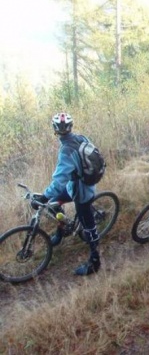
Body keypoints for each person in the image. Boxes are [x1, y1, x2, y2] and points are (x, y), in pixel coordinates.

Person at [32, 113, 101, 276]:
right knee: (54, 204)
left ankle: (95, 262)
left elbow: (58, 182)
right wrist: (48, 198)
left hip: (82, 192)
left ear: (54, 130)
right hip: (79, 185)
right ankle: (61, 231)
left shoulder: (66, 150)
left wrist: (43, 197)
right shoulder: (81, 137)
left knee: (89, 227)